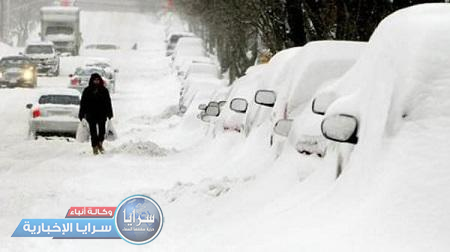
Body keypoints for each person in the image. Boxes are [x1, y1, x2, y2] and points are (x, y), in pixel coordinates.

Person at [78, 73, 113, 155]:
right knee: (93, 133)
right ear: (92, 81)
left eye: (97, 80)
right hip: (91, 114)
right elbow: (83, 103)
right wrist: (82, 114)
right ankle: (95, 147)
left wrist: (109, 113)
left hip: (102, 114)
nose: (96, 82)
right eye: (95, 80)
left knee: (102, 132)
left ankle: (100, 143)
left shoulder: (104, 90)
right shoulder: (87, 91)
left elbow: (108, 102)